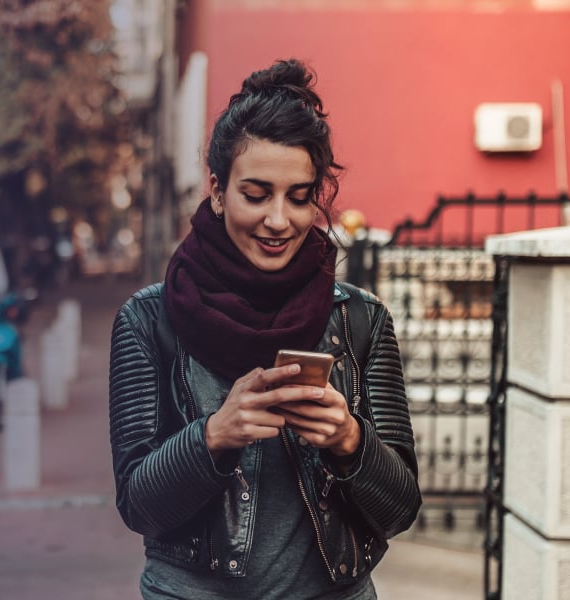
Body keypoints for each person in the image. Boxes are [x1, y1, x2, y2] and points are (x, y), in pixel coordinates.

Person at [108, 58, 421, 600]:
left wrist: (350, 440)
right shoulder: (149, 320)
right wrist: (213, 436)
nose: (279, 220)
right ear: (217, 189)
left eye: (299, 197)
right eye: (256, 194)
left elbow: (399, 509)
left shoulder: (361, 320)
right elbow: (139, 505)